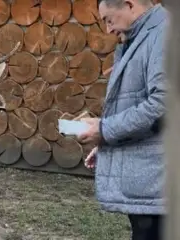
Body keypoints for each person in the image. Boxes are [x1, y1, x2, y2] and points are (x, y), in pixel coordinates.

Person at [77, 1, 168, 240]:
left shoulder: (164, 34)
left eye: (109, 19)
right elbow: (135, 102)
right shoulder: (139, 38)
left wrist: (106, 130)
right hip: (150, 179)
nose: (107, 29)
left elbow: (164, 103)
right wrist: (107, 142)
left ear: (129, 4)